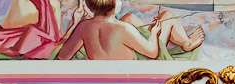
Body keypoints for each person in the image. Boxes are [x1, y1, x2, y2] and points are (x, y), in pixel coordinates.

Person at [56, 0, 205, 61]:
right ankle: (186, 43)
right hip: (143, 62)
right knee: (167, 16)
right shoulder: (123, 28)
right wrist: (154, 33)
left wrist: (75, 22)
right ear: (116, 4)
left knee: (129, 17)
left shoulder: (83, 27)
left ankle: (150, 34)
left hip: (110, 60)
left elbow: (62, 57)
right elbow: (153, 53)